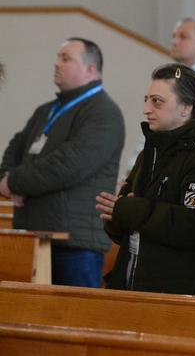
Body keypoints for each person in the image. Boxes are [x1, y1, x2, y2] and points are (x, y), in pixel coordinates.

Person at [96, 64, 195, 296]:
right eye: (146, 99)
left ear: (186, 106)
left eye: (157, 101)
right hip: (134, 286)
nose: (146, 109)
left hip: (180, 294)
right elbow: (129, 213)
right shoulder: (151, 151)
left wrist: (132, 210)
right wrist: (116, 217)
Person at [0, 38, 125, 287]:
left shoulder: (104, 113)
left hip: (75, 245)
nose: (56, 63)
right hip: (33, 236)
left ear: (90, 69)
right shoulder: (46, 110)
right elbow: (15, 148)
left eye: (66, 58)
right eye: (58, 57)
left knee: (74, 321)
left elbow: (66, 166)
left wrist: (13, 182)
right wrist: (6, 179)